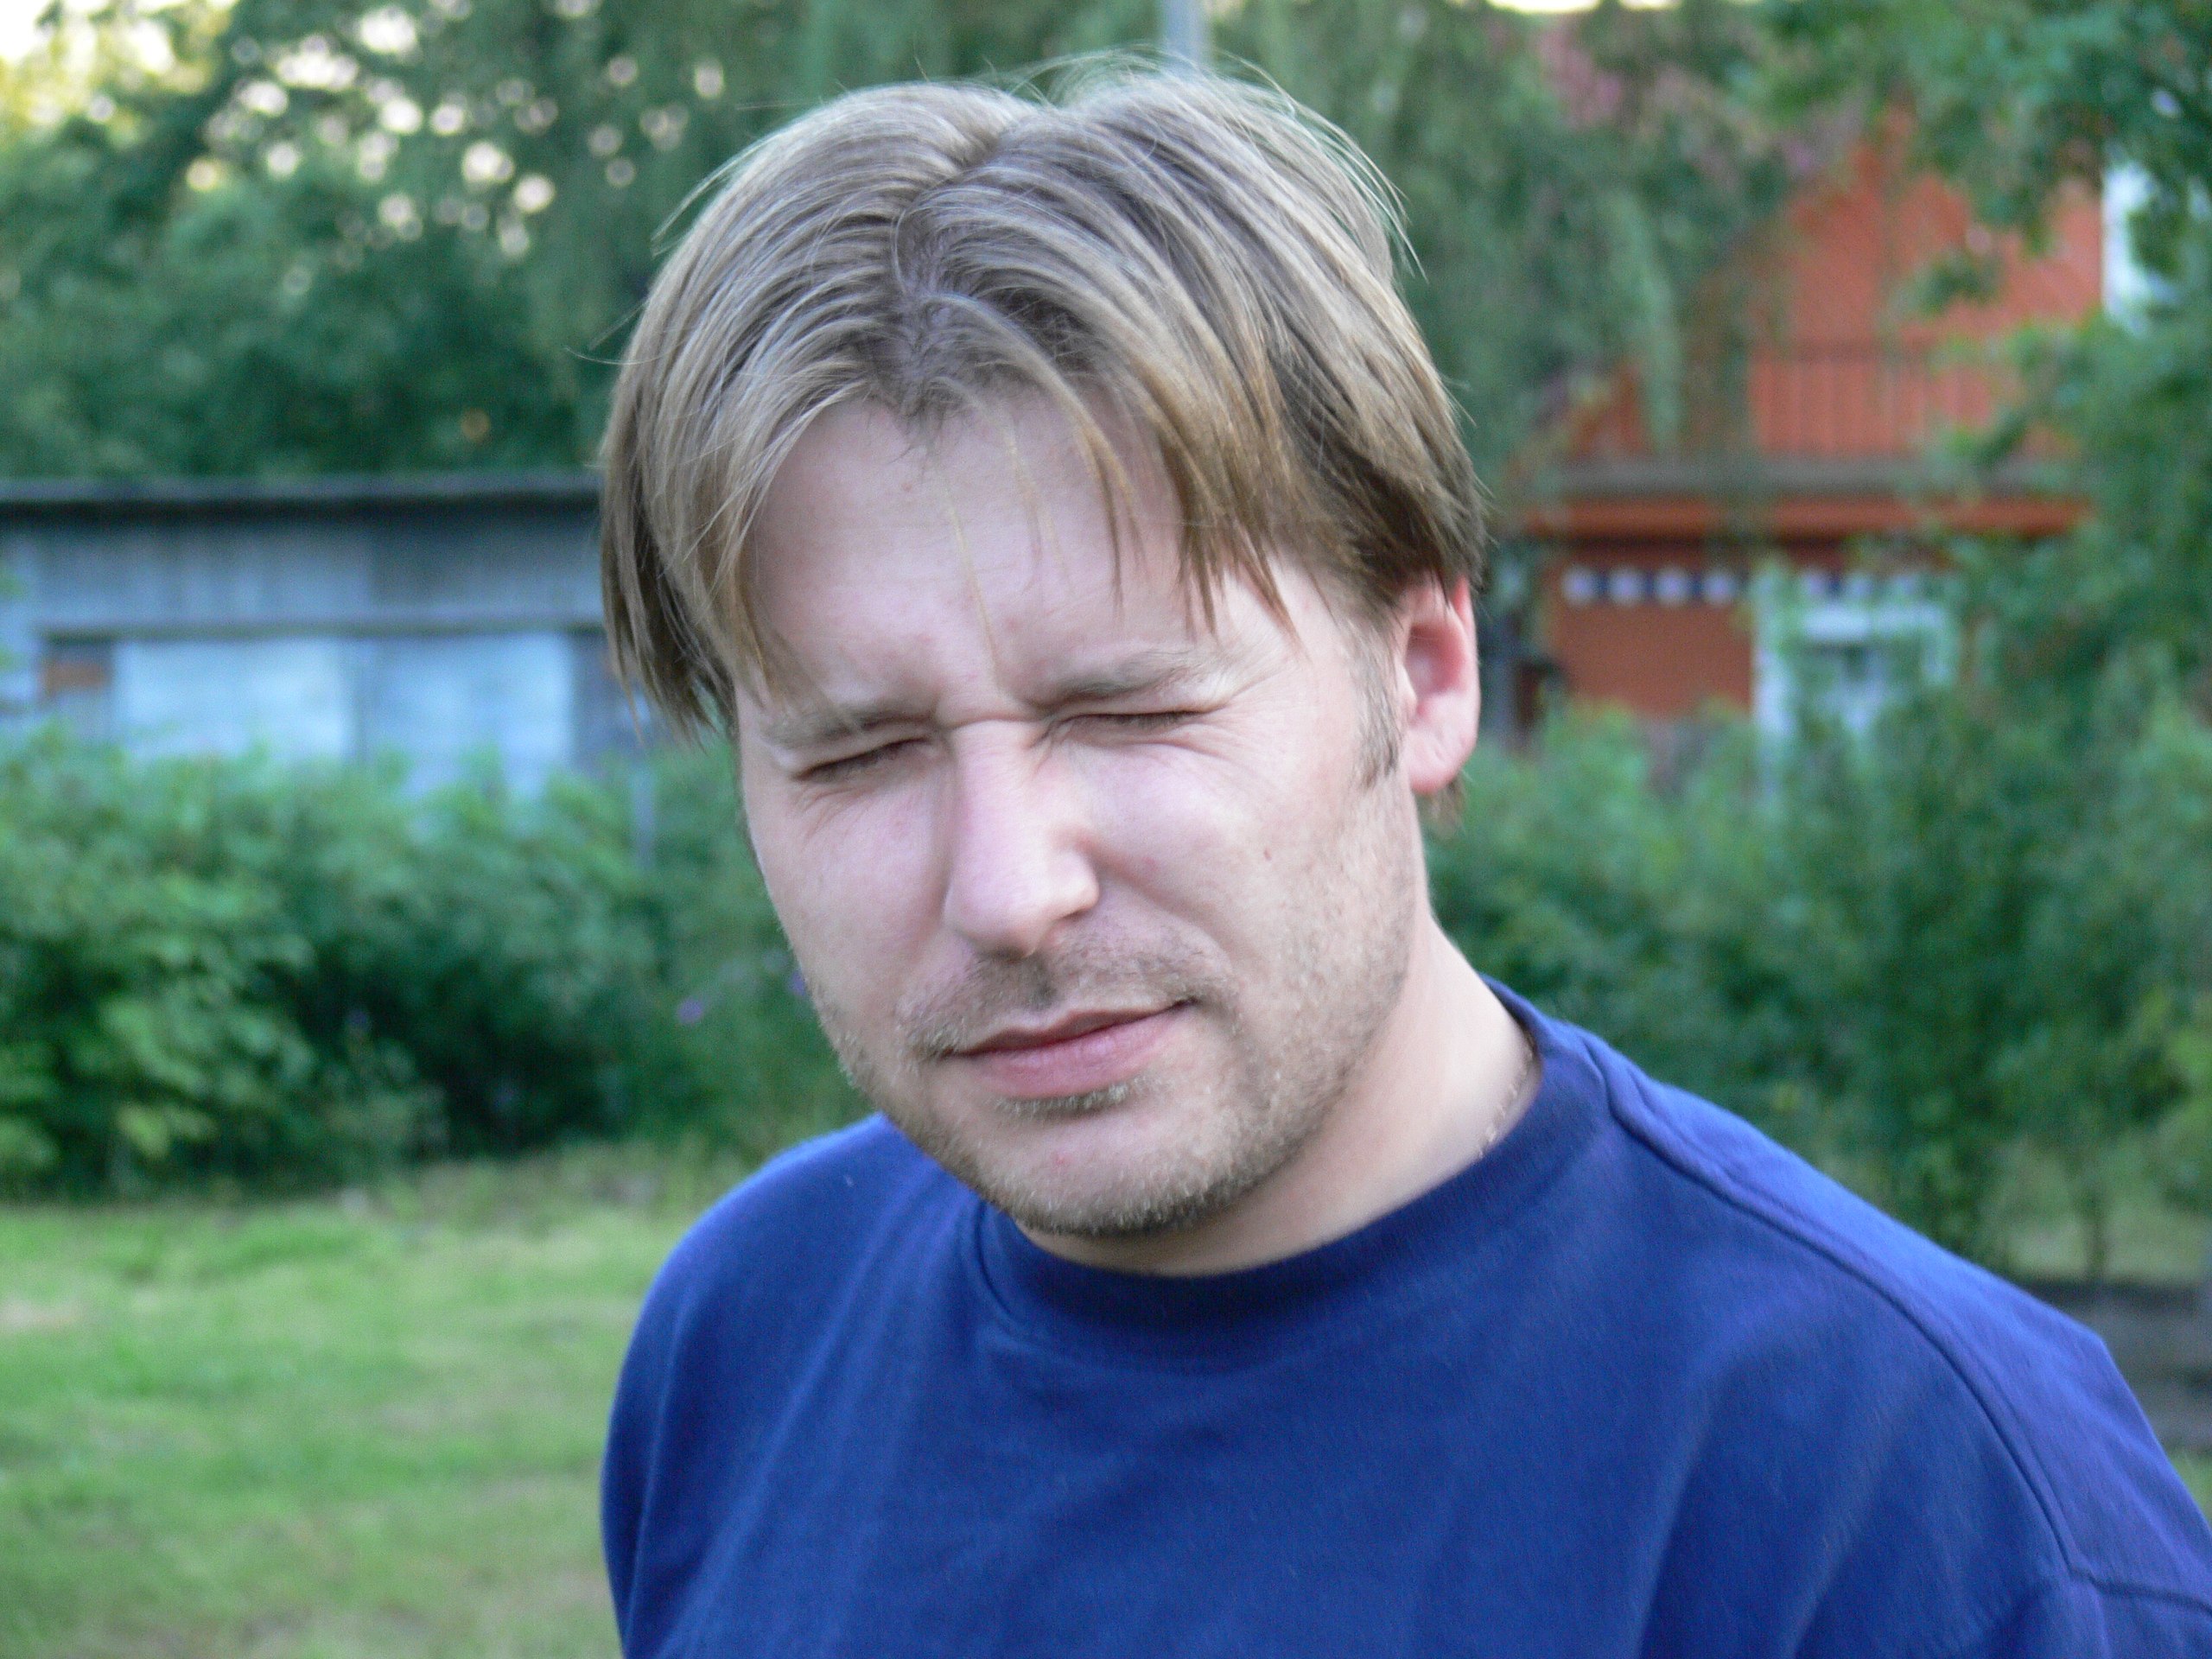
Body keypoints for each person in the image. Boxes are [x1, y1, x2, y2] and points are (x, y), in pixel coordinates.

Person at [594, 68, 2212, 1657]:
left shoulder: (1926, 1512)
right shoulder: (744, 1346)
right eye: (861, 755)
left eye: (1131, 711)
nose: (1011, 892)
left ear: (1426, 675)